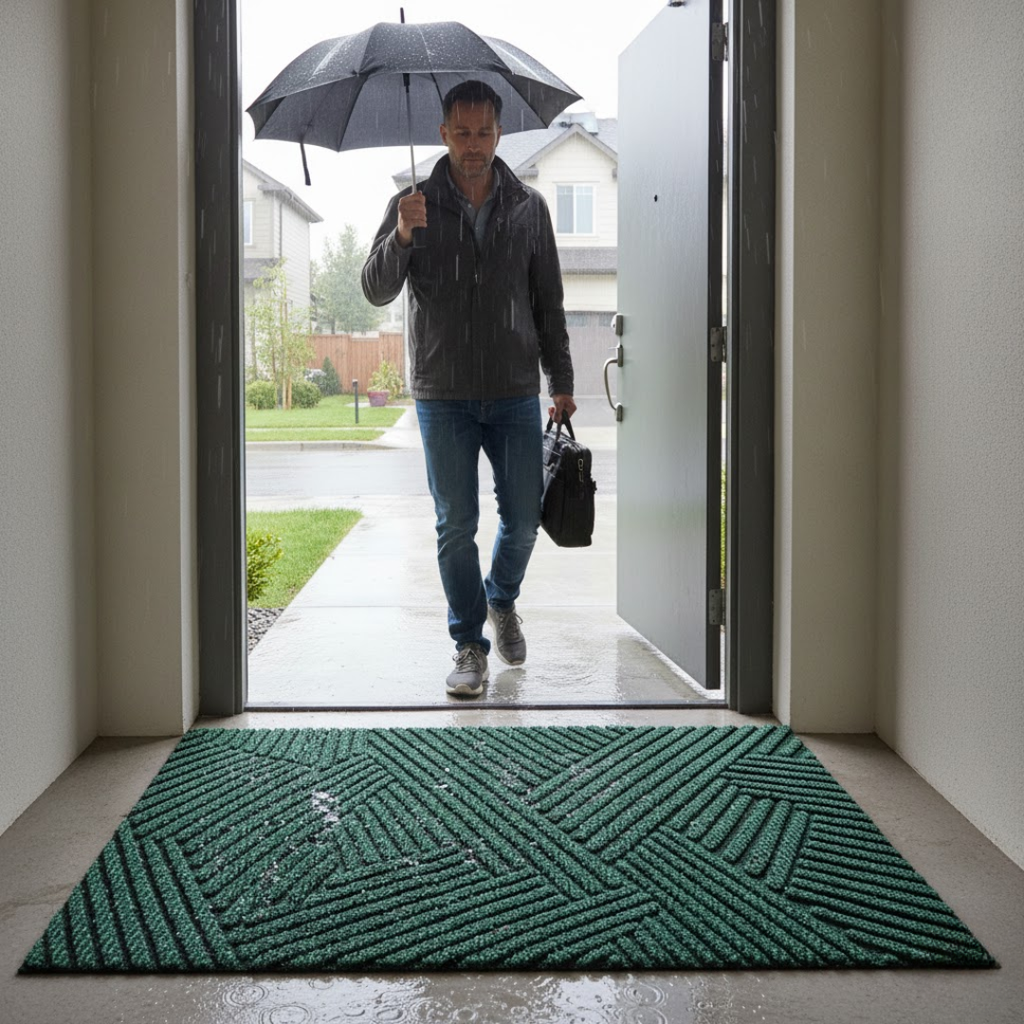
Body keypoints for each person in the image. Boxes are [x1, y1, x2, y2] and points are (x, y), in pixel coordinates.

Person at [362, 79, 576, 698]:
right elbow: (375, 288)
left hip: (513, 389)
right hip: (444, 392)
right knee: (456, 524)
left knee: (526, 518)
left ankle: (500, 598)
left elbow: (549, 302)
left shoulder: (528, 207)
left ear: (500, 133)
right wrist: (403, 235)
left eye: (484, 132)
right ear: (444, 134)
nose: (474, 144)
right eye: (462, 133)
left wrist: (561, 380)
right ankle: (469, 644)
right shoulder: (412, 202)